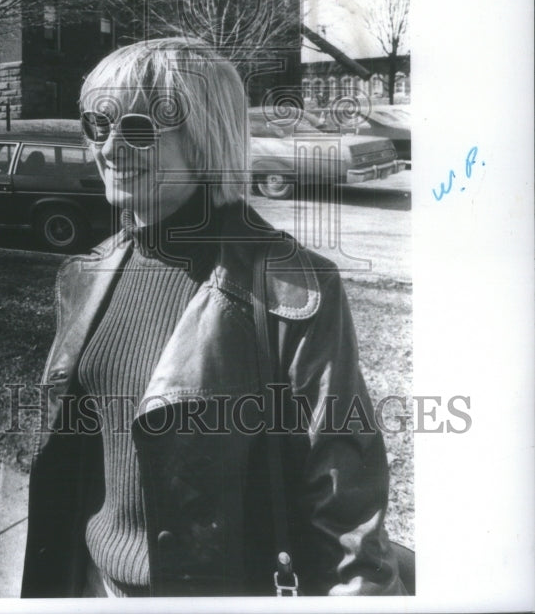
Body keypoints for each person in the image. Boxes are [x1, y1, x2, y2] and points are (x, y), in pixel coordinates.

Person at [21, 37, 405, 597]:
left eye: (137, 127)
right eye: (96, 125)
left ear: (206, 137)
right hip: (92, 584)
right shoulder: (86, 273)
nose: (110, 147)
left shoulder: (294, 287)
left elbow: (344, 506)